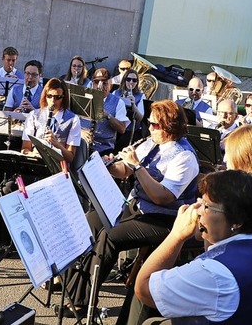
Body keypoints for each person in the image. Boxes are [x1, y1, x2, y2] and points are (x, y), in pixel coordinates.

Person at [63, 100, 200, 316]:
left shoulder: (184, 157)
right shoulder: (150, 143)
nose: (150, 128)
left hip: (164, 218)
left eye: (155, 125)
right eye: (150, 123)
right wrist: (108, 165)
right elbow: (124, 170)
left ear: (169, 127)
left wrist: (137, 166)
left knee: (109, 236)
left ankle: (83, 302)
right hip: (137, 207)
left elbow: (162, 197)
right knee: (88, 222)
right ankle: (71, 289)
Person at [134, 170, 252, 325]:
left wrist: (176, 235)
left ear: (237, 221)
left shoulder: (214, 273)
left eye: (207, 206)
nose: (198, 210)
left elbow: (143, 289)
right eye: (200, 201)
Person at [22, 78, 81, 164]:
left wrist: (56, 144)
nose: (53, 101)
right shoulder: (33, 115)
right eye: (49, 96)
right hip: (36, 164)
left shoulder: (73, 120)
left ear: (63, 98)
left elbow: (70, 158)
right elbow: (25, 149)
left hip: (58, 168)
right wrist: (33, 155)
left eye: (58, 97)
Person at [81, 68, 129, 155]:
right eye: (96, 82)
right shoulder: (83, 97)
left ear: (110, 85)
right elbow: (71, 121)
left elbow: (122, 129)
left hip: (103, 149)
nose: (100, 86)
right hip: (81, 144)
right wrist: (80, 131)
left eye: (104, 83)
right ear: (92, 84)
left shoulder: (118, 102)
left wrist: (108, 116)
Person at [112, 68, 145, 147]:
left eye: (134, 80)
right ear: (124, 80)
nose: (131, 82)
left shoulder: (141, 96)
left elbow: (140, 118)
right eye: (128, 79)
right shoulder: (116, 92)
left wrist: (133, 104)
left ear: (137, 82)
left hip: (130, 131)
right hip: (115, 128)